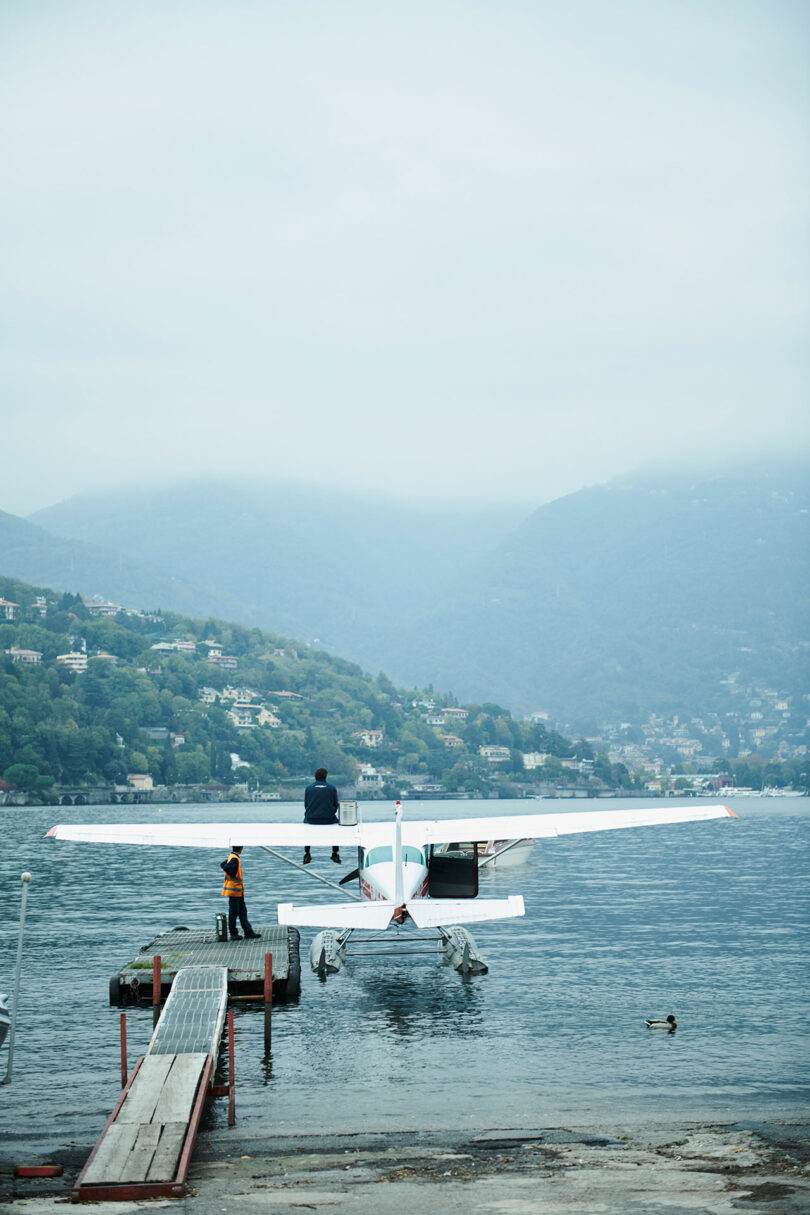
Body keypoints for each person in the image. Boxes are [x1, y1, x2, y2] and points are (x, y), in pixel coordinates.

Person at [220, 846, 261, 940]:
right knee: (234, 913)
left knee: (242, 912)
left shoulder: (232, 856)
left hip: (238, 891)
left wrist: (229, 871)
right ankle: (234, 933)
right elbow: (226, 867)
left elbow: (222, 864)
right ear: (241, 848)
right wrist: (231, 872)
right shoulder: (234, 859)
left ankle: (248, 931)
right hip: (234, 890)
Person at [303, 766, 341, 864]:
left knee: (306, 826)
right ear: (326, 777)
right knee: (336, 827)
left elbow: (306, 805)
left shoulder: (309, 788)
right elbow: (336, 805)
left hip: (311, 819)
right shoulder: (332, 788)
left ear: (315, 776)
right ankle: (335, 853)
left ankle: (307, 853)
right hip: (328, 819)